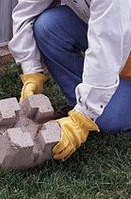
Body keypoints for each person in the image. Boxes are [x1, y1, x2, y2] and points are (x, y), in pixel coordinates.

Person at [8, 0, 131, 161]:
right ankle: (83, 105)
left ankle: (91, 111)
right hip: (114, 34)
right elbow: (26, 11)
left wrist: (84, 117)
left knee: (107, 120)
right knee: (48, 26)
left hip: (119, 42)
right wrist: (31, 72)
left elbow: (106, 50)